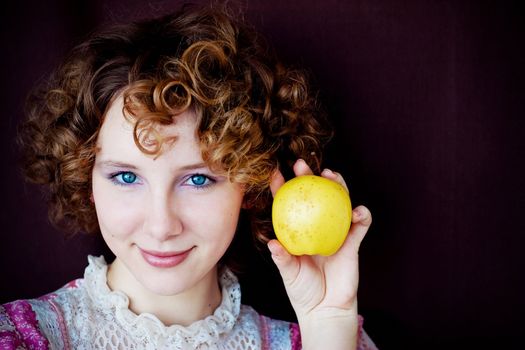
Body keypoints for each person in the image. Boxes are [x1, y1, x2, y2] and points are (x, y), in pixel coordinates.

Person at [1, 3, 377, 349]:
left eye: (197, 179)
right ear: (87, 181)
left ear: (250, 182)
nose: (162, 226)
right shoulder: (20, 336)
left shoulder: (322, 340)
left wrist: (328, 323)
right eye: (126, 177)